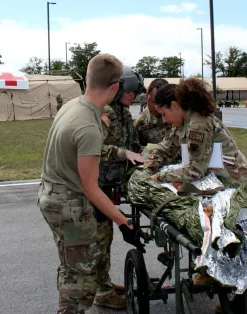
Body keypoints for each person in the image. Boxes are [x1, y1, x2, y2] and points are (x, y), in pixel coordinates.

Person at [143, 78, 247, 314]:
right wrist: (151, 164)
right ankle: (225, 290)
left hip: (239, 188)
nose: (163, 119)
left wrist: (158, 177)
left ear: (174, 105)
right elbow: (168, 145)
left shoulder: (198, 124)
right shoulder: (185, 121)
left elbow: (195, 170)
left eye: (163, 113)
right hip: (220, 187)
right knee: (219, 237)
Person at [38, 53, 144, 314]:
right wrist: (124, 222)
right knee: (82, 276)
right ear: (116, 86)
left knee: (71, 267)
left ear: (87, 79)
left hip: (53, 195)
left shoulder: (73, 106)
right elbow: (90, 187)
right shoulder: (88, 125)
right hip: (69, 203)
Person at [92, 66, 146, 309]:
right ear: (118, 88)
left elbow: (133, 144)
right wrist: (124, 153)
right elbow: (97, 150)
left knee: (106, 237)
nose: (133, 96)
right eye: (130, 92)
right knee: (100, 239)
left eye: (135, 93)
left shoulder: (123, 113)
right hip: (98, 185)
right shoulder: (102, 113)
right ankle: (102, 292)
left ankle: (103, 284)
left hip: (115, 183)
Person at [134, 78, 172, 146]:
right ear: (146, 96)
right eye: (153, 102)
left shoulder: (176, 115)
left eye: (161, 104)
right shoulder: (140, 123)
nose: (156, 107)